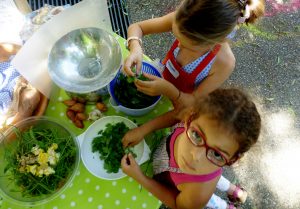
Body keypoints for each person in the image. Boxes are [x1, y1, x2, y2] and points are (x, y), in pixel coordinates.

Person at [121, 88, 261, 209]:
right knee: (213, 176)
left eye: (217, 154)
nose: (195, 155)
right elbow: (175, 115)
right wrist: (143, 130)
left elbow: (178, 205)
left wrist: (140, 177)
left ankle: (225, 206)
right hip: (197, 175)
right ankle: (234, 190)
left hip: (197, 189)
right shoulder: (194, 119)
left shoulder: (198, 193)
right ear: (189, 117)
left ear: (232, 160)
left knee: (208, 198)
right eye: (196, 135)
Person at [123, 0, 265, 108]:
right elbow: (138, 27)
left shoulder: (224, 63)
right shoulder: (184, 19)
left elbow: (193, 103)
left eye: (186, 45)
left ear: (213, 42)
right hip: (160, 81)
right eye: (177, 37)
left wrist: (168, 90)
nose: (178, 45)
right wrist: (136, 48)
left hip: (178, 106)